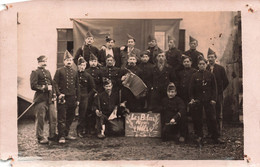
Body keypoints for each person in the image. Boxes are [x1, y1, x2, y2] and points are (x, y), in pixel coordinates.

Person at [189, 57, 224, 145]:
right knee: (198, 118)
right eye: (200, 64)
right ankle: (199, 136)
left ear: (206, 64)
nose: (201, 65)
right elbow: (191, 89)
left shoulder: (211, 75)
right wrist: (192, 98)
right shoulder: (194, 75)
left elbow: (214, 88)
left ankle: (216, 137)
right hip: (198, 100)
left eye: (203, 64)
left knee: (212, 118)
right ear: (197, 65)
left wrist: (213, 99)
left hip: (209, 100)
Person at [53, 50, 80, 144]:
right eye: (67, 60)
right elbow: (55, 83)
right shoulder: (59, 71)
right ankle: (61, 136)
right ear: (64, 61)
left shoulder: (75, 72)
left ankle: (66, 133)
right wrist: (58, 94)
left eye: (70, 60)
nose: (69, 61)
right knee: (62, 117)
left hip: (72, 98)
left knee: (70, 116)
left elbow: (77, 86)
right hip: (62, 98)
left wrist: (78, 99)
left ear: (72, 61)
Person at [30, 55, 57, 144]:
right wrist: (45, 88)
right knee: (40, 119)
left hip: (50, 99)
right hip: (40, 99)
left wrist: (53, 94)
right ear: (39, 62)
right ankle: (40, 137)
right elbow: (33, 86)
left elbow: (51, 84)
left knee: (53, 117)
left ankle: (52, 135)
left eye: (45, 61)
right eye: (43, 61)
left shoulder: (48, 72)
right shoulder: (35, 72)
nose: (44, 63)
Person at [206, 48, 229, 135]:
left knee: (218, 113)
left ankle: (218, 132)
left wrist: (219, 91)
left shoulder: (220, 68)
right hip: (208, 95)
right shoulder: (206, 68)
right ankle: (210, 132)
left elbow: (226, 82)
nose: (210, 59)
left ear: (215, 58)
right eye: (209, 57)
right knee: (209, 113)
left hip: (218, 95)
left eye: (212, 57)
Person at [76, 57, 95, 138]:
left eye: (83, 65)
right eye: (80, 65)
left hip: (84, 97)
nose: (82, 67)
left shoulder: (88, 76)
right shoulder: (74, 74)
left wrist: (87, 96)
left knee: (82, 114)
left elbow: (93, 88)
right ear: (77, 66)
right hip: (74, 96)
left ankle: (80, 130)